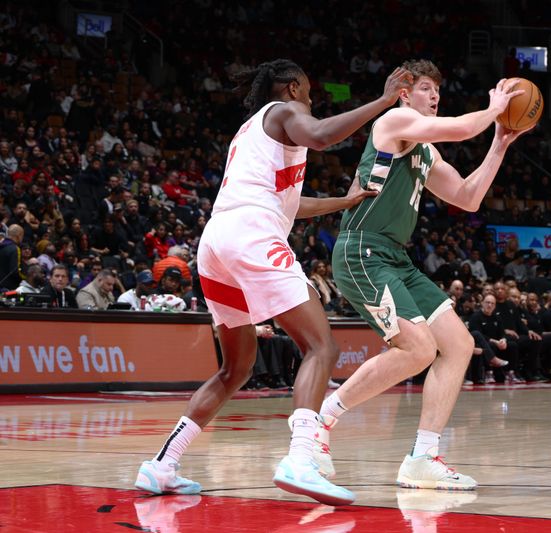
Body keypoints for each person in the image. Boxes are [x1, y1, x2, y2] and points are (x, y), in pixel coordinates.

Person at [135, 59, 412, 507]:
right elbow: (322, 135)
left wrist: (347, 199)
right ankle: (300, 460)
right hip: (251, 236)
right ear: (291, 88)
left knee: (235, 369)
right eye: (308, 92)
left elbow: (289, 204)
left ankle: (162, 465)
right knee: (322, 347)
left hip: (217, 243)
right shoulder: (283, 112)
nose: (311, 101)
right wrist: (382, 101)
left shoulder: (251, 134)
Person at [323, 60, 529, 491]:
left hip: (395, 257)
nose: (434, 96)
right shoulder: (394, 121)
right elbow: (459, 128)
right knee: (417, 349)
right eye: (426, 88)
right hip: (362, 249)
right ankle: (320, 423)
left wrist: (500, 142)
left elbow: (468, 198)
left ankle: (423, 457)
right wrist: (493, 109)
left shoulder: (424, 151)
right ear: (404, 93)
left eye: (438, 89)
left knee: (459, 344)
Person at [0, 224, 23, 291]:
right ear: (19, 236)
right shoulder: (15, 249)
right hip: (8, 288)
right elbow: (15, 271)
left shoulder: (1, 245)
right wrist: (26, 277)